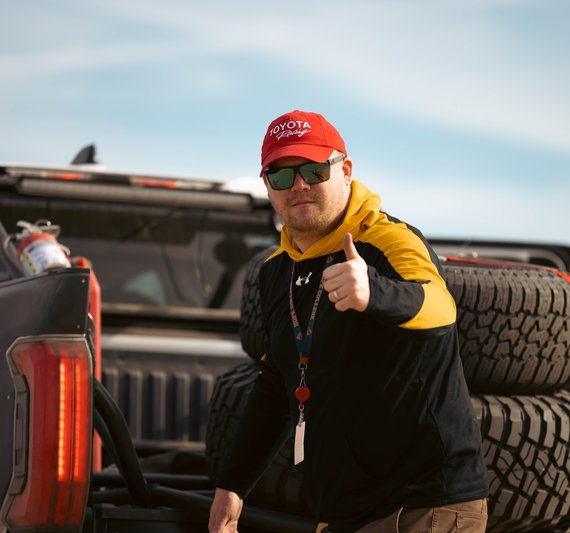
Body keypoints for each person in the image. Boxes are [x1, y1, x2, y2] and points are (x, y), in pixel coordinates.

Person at [209, 110, 488, 533]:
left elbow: (440, 308)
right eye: (281, 175)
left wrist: (376, 292)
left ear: (345, 171)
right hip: (342, 512)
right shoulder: (274, 271)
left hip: (423, 504)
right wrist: (233, 484)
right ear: (266, 186)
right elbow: (276, 383)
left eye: (313, 170)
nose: (298, 185)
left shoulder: (387, 240)